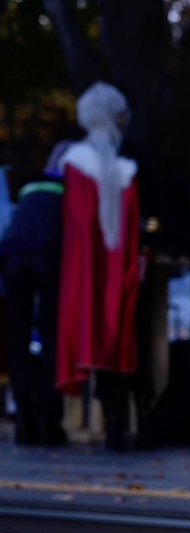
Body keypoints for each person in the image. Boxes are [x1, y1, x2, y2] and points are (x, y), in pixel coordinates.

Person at [56, 82, 140, 450]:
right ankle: (114, 421)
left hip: (84, 271)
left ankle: (88, 420)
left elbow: (77, 228)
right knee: (114, 334)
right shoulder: (126, 172)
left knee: (86, 331)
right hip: (114, 270)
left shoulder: (75, 165)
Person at [0, 143, 72, 446]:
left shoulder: (30, 188)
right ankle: (50, 418)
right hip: (48, 256)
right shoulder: (69, 192)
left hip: (14, 258)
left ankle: (25, 416)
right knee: (51, 334)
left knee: (17, 338)